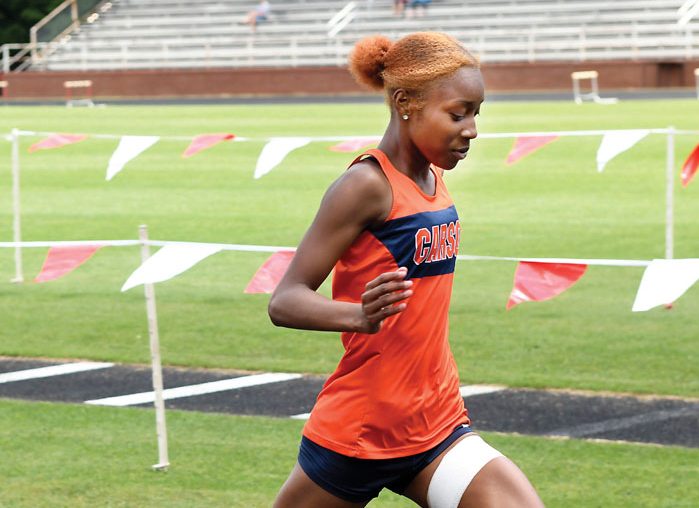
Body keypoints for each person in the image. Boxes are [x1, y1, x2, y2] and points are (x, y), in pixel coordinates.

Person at [268, 32, 544, 508]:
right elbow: (285, 300)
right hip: (362, 432)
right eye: (458, 114)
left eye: (476, 114)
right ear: (404, 104)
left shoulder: (433, 177)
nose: (472, 130)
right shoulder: (365, 186)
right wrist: (358, 316)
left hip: (437, 423)